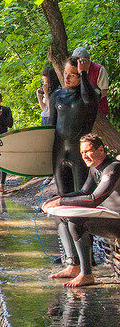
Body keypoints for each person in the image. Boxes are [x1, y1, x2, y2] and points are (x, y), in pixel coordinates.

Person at [42, 133, 120, 287]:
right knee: (61, 217)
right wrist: (57, 200)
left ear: (101, 150)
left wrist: (61, 201)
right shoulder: (94, 167)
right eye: (82, 153)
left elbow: (93, 199)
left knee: (76, 221)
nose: (84, 156)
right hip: (110, 216)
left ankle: (86, 274)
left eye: (88, 151)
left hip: (117, 220)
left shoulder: (113, 168)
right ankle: (73, 265)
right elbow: (84, 192)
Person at [47, 57, 99, 198]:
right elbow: (50, 127)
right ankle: (63, 220)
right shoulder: (56, 96)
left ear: (81, 76)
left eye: (72, 75)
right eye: (65, 73)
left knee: (80, 196)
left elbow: (89, 100)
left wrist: (84, 74)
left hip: (80, 154)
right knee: (62, 195)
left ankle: (79, 220)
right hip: (59, 153)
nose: (67, 78)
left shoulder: (91, 94)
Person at [71, 46, 110, 116]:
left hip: (98, 109)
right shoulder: (74, 70)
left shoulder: (99, 69)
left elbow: (104, 91)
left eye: (82, 61)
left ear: (88, 58)